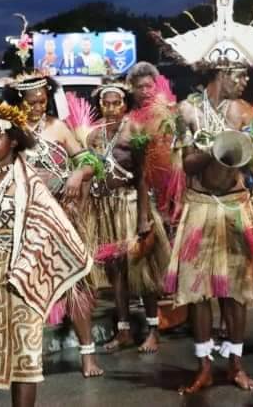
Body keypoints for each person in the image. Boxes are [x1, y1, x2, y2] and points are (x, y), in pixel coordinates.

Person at [154, 0, 253, 395]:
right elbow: (184, 166)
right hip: (200, 209)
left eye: (243, 74)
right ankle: (204, 366)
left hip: (235, 209)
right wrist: (209, 148)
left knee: (237, 290)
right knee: (198, 292)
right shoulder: (188, 110)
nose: (242, 81)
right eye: (236, 74)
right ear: (217, 71)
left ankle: (235, 363)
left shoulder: (245, 111)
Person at [0, 100, 92, 407]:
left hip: (20, 284)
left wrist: (25, 270)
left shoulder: (29, 183)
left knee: (24, 363)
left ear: (13, 141)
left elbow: (51, 227)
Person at [2, 71, 103, 377]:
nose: (38, 107)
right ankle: (28, 358)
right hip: (25, 218)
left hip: (61, 215)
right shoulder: (11, 132)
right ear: (19, 101)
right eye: (32, 102)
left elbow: (90, 161)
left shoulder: (58, 127)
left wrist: (77, 174)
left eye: (42, 101)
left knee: (75, 283)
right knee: (24, 286)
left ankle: (88, 355)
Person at [85, 81, 170, 354]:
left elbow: (143, 177)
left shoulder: (134, 132)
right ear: (100, 105)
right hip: (106, 208)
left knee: (142, 270)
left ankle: (153, 330)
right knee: (116, 271)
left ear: (125, 105)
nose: (111, 108)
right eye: (106, 104)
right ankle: (123, 330)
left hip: (132, 206)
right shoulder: (94, 135)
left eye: (116, 103)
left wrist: (143, 218)